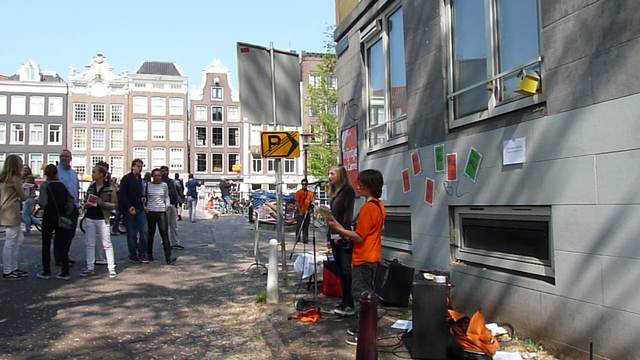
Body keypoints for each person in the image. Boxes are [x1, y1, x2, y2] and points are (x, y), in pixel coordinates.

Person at [326, 169, 385, 344]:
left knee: (362, 297)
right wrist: (337, 224)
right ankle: (365, 329)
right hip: (373, 256)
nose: (357, 186)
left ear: (368, 186)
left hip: (364, 258)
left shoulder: (368, 209)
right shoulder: (380, 206)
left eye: (361, 184)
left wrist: (339, 230)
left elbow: (359, 236)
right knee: (367, 295)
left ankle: (365, 333)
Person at [326, 166, 356, 316]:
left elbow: (347, 216)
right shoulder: (333, 193)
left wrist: (342, 235)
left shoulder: (348, 192)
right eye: (329, 173)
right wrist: (329, 237)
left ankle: (349, 303)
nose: (329, 176)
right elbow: (332, 217)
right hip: (334, 234)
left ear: (341, 176)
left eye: (332, 173)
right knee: (339, 269)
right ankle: (344, 300)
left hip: (342, 236)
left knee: (345, 270)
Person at [37, 164, 74, 280]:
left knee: (46, 244)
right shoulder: (62, 185)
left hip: (49, 217)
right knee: (62, 244)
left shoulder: (45, 186)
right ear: (56, 173)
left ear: (46, 174)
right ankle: (65, 271)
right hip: (61, 216)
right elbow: (70, 200)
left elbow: (42, 202)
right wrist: (66, 213)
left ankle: (46, 271)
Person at [80, 165, 118, 278]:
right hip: (90, 217)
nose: (92, 174)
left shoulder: (110, 188)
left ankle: (111, 268)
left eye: (94, 172)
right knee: (90, 243)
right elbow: (85, 201)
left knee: (107, 243)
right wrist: (86, 205)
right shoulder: (91, 187)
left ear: (101, 174)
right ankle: (90, 266)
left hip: (103, 218)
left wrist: (103, 203)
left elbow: (115, 204)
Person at [1, 155, 29, 279]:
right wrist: (28, 192)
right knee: (11, 241)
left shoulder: (4, 179)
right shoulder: (15, 179)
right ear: (15, 165)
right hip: (12, 212)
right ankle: (8, 270)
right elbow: (23, 196)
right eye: (20, 163)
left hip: (6, 211)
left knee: (17, 239)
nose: (22, 165)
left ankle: (13, 267)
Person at [119, 159, 149, 263]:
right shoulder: (126, 179)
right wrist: (128, 206)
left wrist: (144, 197)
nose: (140, 168)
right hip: (129, 209)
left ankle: (142, 253)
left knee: (144, 231)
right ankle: (133, 254)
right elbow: (122, 194)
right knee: (132, 233)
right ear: (132, 167)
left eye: (141, 166)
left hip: (140, 208)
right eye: (138, 166)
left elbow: (142, 193)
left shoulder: (141, 180)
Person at [145, 169, 176, 265]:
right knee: (150, 234)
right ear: (152, 176)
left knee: (164, 234)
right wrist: (145, 207)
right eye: (155, 175)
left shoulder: (164, 185)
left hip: (161, 211)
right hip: (151, 211)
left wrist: (167, 205)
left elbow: (166, 196)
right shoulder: (148, 185)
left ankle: (168, 256)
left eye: (159, 175)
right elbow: (144, 197)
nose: (157, 177)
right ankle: (149, 254)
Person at [57, 150, 80, 267]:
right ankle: (59, 258)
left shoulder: (73, 173)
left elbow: (77, 189)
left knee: (70, 233)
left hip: (74, 207)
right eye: (62, 156)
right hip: (62, 207)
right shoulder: (56, 171)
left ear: (70, 158)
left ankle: (65, 255)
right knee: (60, 233)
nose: (64, 158)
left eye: (66, 156)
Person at [160, 166, 183, 250]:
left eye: (166, 171)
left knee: (174, 225)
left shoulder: (171, 181)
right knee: (164, 225)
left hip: (172, 204)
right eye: (163, 171)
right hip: (164, 206)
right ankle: (165, 241)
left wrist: (176, 200)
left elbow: (174, 192)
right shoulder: (160, 182)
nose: (165, 172)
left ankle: (175, 242)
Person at [21, 165, 42, 235]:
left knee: (25, 215)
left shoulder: (29, 177)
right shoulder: (24, 178)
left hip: (29, 199)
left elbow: (25, 186)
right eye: (24, 169)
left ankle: (28, 230)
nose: (25, 170)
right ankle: (41, 224)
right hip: (28, 198)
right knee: (28, 215)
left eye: (26, 169)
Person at [294, 179, 315, 244]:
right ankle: (297, 240)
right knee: (299, 226)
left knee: (306, 227)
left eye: (305, 184)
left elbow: (312, 202)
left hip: (307, 212)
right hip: (300, 212)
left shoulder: (310, 193)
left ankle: (305, 240)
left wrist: (311, 209)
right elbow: (297, 202)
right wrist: (300, 211)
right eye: (303, 184)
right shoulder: (298, 192)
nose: (304, 185)